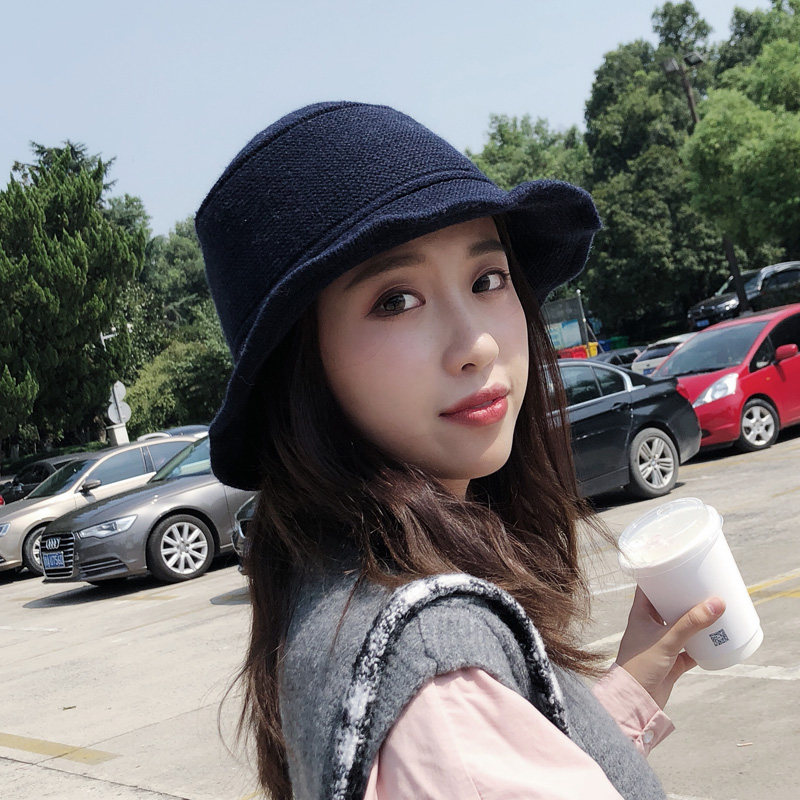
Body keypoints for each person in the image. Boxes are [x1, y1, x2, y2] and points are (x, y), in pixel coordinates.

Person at [196, 101, 725, 800]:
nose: (476, 343)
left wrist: (625, 696)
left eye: (487, 279)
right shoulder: (439, 682)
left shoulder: (335, 583)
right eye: (396, 300)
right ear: (300, 366)